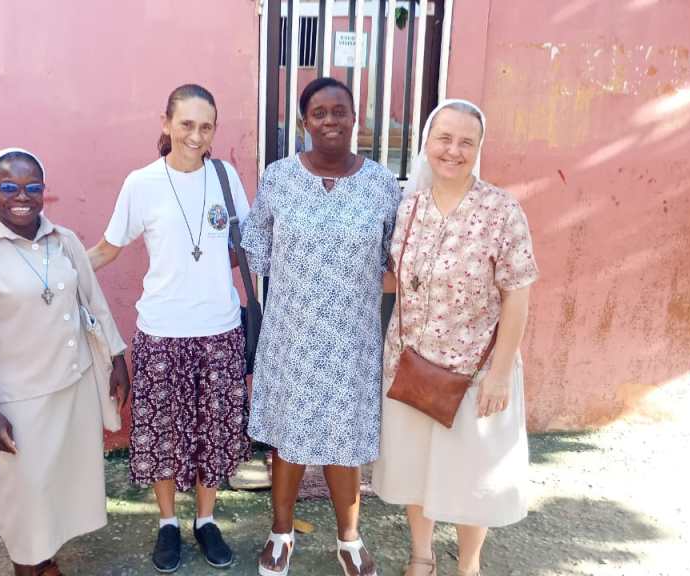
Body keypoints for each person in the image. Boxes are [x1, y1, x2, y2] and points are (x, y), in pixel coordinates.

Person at [86, 84, 252, 573]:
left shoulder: (225, 177)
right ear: (166, 123)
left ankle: (206, 519)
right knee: (163, 434)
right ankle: (167, 523)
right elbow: (108, 248)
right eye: (186, 124)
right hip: (161, 333)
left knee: (212, 431)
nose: (195, 136)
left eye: (206, 127)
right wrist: (57, 270)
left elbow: (245, 245)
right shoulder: (142, 184)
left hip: (220, 330)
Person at [241, 77, 400, 576]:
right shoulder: (279, 178)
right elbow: (257, 247)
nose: (330, 120)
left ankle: (349, 539)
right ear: (304, 121)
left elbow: (395, 259)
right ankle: (281, 533)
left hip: (352, 338)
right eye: (319, 112)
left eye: (339, 111)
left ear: (356, 116)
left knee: (345, 439)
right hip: (293, 335)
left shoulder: (381, 185)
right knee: (289, 436)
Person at [372, 100, 539, 576]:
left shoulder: (501, 210)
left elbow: (517, 296)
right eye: (444, 138)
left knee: (471, 478)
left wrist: (500, 374)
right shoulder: (409, 207)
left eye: (466, 142)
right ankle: (421, 557)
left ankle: (468, 565)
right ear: (427, 142)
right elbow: (392, 277)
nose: (453, 150)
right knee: (415, 469)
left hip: (475, 372)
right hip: (410, 366)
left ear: (479, 148)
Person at [0, 148, 128, 576]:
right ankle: (26, 566)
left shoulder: (64, 241)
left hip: (73, 386)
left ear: (44, 191)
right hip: (20, 399)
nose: (21, 196)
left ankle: (45, 559)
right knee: (23, 491)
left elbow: (94, 302)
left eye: (32, 187)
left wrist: (118, 358)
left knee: (56, 484)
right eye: (8, 187)